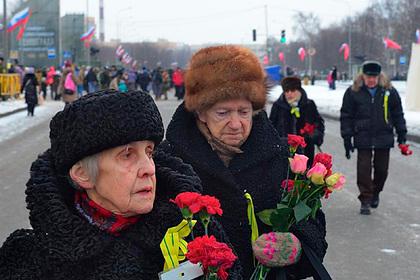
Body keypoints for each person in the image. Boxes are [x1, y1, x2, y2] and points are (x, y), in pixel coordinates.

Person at [0, 90, 241, 279]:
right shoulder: (31, 259)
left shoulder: (197, 235)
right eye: (127, 155)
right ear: (82, 174)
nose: (149, 168)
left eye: (149, 152)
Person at [160, 45, 328, 279]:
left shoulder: (278, 157)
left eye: (244, 112)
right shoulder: (170, 161)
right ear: (200, 112)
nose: (236, 123)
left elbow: (313, 224)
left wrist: (297, 246)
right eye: (223, 113)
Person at [340, 61, 410, 215]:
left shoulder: (389, 92)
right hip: (362, 135)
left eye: (374, 77)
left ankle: (375, 192)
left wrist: (402, 134)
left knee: (382, 170)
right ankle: (365, 199)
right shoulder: (353, 92)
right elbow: (346, 115)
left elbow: (398, 114)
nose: (371, 80)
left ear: (379, 77)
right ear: (363, 76)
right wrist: (347, 137)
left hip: (383, 135)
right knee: (363, 169)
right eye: (368, 77)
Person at [269, 76, 325, 166]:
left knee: (303, 178)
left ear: (299, 90)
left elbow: (318, 124)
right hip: (284, 154)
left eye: (293, 91)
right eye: (287, 91)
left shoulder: (309, 105)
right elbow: (271, 128)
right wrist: (280, 142)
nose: (289, 94)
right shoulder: (278, 106)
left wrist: (313, 136)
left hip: (306, 153)